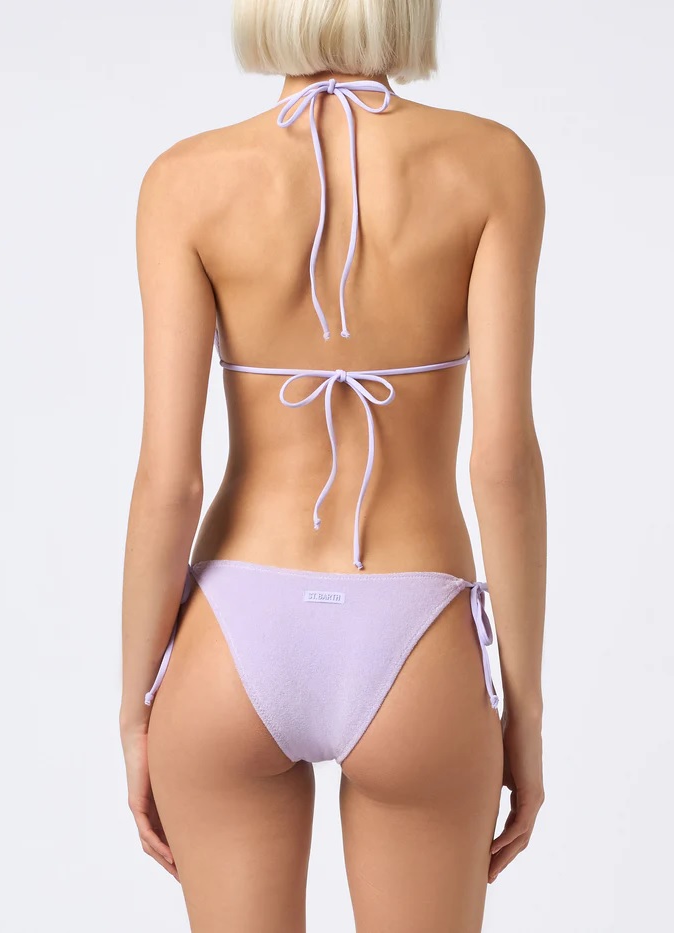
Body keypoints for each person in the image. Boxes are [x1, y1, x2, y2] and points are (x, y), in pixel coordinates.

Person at [119, 1, 547, 929]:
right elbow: (503, 464)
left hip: (232, 636)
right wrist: (524, 711)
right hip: (417, 629)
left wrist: (135, 706)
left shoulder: (183, 181)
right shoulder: (492, 165)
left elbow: (170, 480)